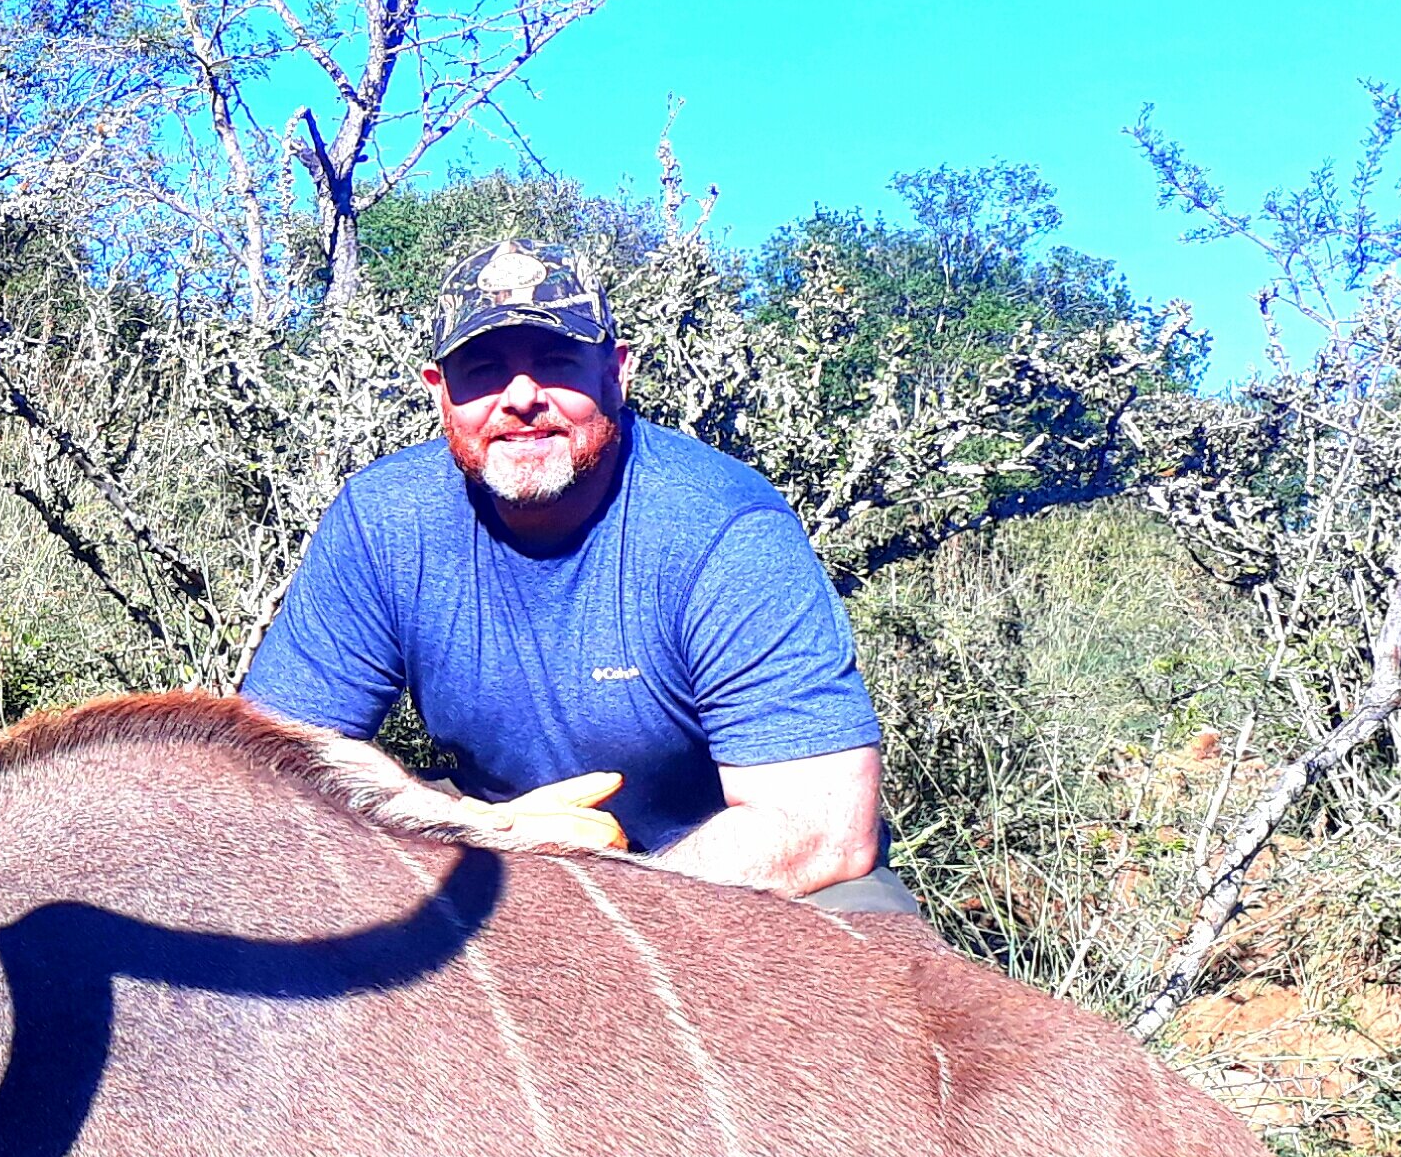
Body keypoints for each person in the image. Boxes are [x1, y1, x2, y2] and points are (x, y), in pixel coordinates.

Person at [240, 236, 912, 911]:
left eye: (558, 363)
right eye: (483, 371)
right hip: (497, 840)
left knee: (863, 923)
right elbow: (270, 760)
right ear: (440, 395)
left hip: (718, 878)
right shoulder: (383, 519)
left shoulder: (722, 529)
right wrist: (478, 828)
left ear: (615, 374)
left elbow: (820, 827)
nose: (521, 398)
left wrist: (587, 911)